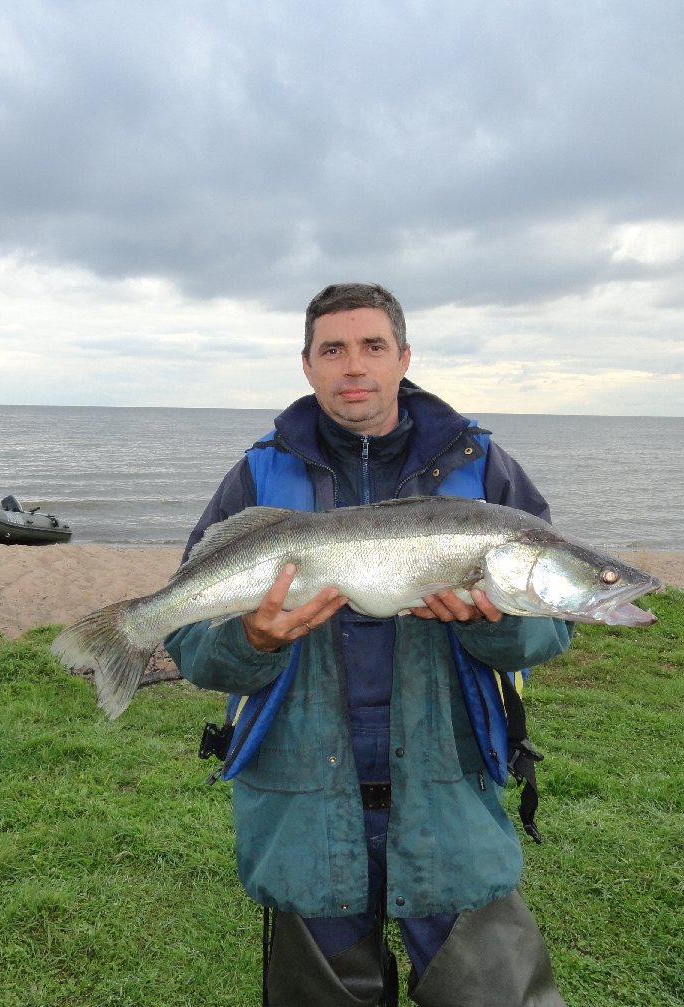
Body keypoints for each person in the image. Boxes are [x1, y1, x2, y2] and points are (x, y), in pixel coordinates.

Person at [165, 283, 572, 1007]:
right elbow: (192, 644)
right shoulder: (257, 476)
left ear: (403, 357)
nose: (353, 365)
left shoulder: (484, 468)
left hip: (451, 795)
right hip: (301, 801)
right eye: (333, 350)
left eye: (372, 346)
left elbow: (549, 628)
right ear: (307, 365)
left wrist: (492, 622)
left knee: (495, 993)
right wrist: (252, 638)